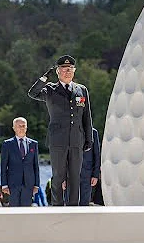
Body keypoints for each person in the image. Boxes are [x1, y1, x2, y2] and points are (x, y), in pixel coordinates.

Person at [28, 55, 93, 206]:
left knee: (75, 177)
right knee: (58, 176)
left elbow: (86, 117)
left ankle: (73, 208)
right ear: (57, 71)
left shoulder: (81, 90)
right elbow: (32, 93)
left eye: (70, 69)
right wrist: (44, 78)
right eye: (64, 69)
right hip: (58, 141)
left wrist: (89, 139)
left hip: (77, 140)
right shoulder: (50, 89)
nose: (67, 72)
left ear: (74, 71)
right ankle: (57, 207)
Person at [0, 117, 40, 207]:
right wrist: (4, 185)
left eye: (23, 126)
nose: (21, 128)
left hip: (29, 184)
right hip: (13, 184)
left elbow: (36, 166)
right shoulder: (7, 144)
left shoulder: (34, 144)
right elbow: (3, 166)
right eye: (19, 126)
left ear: (26, 128)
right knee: (14, 211)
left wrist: (36, 185)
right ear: (14, 128)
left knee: (26, 211)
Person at [78, 128, 101, 206]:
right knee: (70, 205)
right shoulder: (70, 130)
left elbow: (97, 155)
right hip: (71, 175)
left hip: (87, 175)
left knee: (84, 204)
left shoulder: (93, 132)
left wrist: (95, 175)